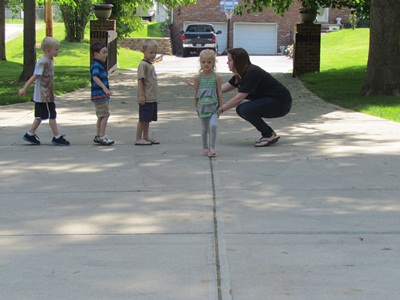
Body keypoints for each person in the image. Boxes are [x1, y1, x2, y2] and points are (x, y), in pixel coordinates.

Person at [219, 48, 292, 147]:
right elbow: (221, 89)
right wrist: (201, 88)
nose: (227, 63)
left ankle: (268, 135)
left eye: (230, 60)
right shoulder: (241, 74)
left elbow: (239, 98)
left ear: (238, 61)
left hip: (281, 103)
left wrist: (221, 110)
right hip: (272, 101)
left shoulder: (251, 73)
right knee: (243, 109)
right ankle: (270, 133)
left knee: (244, 109)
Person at [18, 37, 70, 146]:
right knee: (51, 115)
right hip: (43, 95)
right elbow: (35, 76)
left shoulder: (49, 61)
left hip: (47, 94)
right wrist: (24, 88)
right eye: (56, 49)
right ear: (48, 50)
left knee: (40, 116)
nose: (58, 51)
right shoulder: (42, 62)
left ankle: (30, 134)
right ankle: (56, 137)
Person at [193, 49, 223, 157]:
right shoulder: (198, 78)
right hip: (202, 107)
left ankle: (213, 147)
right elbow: (196, 92)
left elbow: (219, 91)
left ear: (213, 63)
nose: (206, 64)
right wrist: (196, 106)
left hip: (214, 106)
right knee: (204, 128)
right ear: (200, 62)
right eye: (203, 62)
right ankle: (205, 147)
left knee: (213, 126)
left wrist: (221, 106)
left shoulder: (217, 77)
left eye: (209, 62)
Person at [135, 39, 160, 146]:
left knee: (148, 119)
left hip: (152, 97)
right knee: (143, 119)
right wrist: (141, 95)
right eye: (151, 52)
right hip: (146, 97)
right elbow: (140, 80)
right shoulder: (143, 65)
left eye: (155, 52)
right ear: (143, 51)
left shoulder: (150, 65)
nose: (153, 55)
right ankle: (138, 138)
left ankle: (146, 136)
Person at [90, 42, 114, 145]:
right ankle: (102, 135)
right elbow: (95, 77)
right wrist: (104, 88)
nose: (106, 55)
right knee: (105, 114)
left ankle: (99, 135)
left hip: (100, 94)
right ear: (96, 54)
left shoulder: (99, 65)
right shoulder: (96, 65)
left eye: (106, 52)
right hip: (100, 94)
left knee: (101, 115)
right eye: (103, 52)